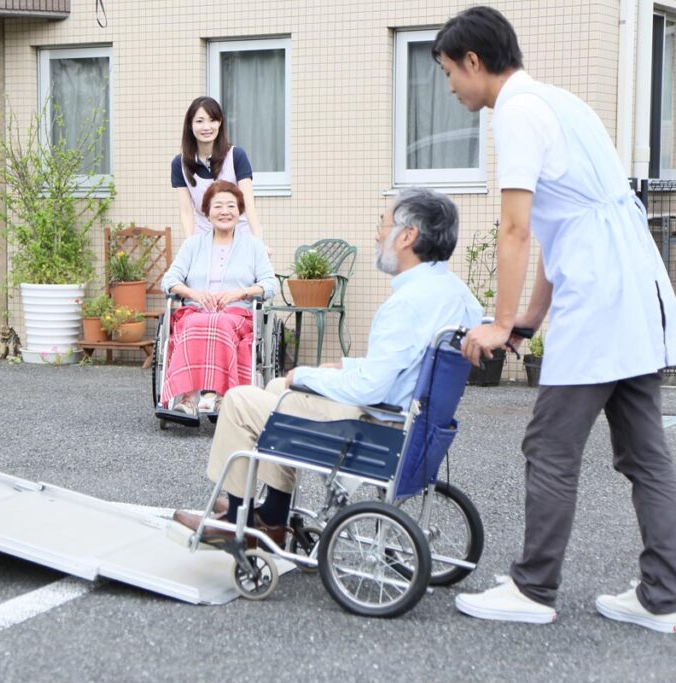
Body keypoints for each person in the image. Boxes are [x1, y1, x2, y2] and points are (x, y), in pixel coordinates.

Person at [436, 6, 676, 633]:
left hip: (599, 298)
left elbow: (515, 229)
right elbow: (561, 223)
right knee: (646, 454)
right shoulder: (562, 102)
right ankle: (665, 595)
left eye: (447, 73)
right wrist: (530, 317)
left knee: (550, 445)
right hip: (634, 286)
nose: (451, 87)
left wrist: (498, 321)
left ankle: (533, 588)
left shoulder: (515, 113)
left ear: (473, 61)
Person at [172, 188, 482, 542]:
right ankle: (272, 514)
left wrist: (304, 374)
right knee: (274, 390)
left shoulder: (406, 304)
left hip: (372, 425)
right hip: (409, 421)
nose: (378, 234)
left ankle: (239, 524)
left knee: (242, 400)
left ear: (408, 235)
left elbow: (371, 388)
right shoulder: (459, 294)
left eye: (383, 224)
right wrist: (344, 367)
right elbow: (404, 365)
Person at [159, 181, 276, 415]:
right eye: (218, 206)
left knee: (220, 324)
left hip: (236, 313)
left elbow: (270, 284)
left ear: (239, 211)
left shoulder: (253, 245)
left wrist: (240, 293)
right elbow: (168, 280)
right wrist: (194, 294)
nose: (225, 211)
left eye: (231, 206)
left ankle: (225, 399)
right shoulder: (193, 244)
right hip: (196, 311)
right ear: (207, 212)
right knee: (192, 325)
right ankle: (189, 400)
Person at [172, 96, 265, 241]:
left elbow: (249, 204)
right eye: (199, 121)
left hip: (240, 236)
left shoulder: (236, 156)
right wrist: (190, 244)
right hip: (205, 237)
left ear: (220, 122)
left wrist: (258, 242)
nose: (207, 127)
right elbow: (186, 211)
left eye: (212, 120)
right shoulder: (180, 164)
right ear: (190, 125)